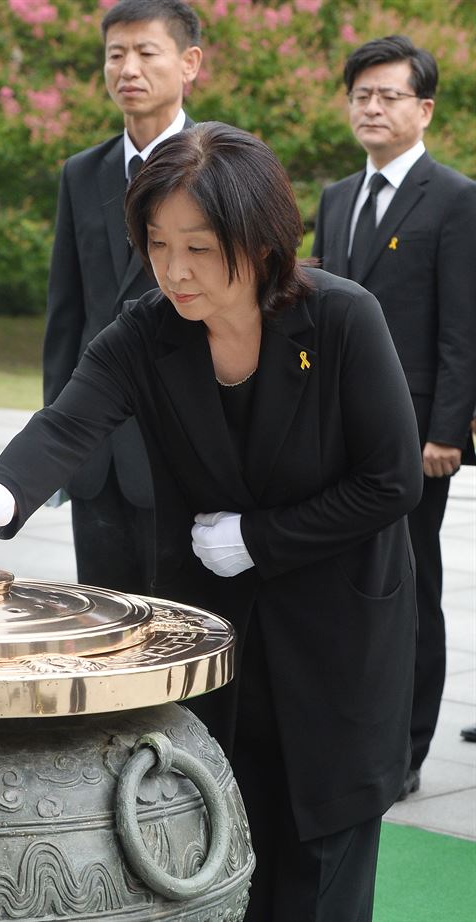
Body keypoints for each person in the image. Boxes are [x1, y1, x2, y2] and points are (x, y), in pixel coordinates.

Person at [0, 123, 422, 921]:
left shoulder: (341, 320)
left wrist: (257, 539)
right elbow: (68, 423)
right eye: (157, 244)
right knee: (222, 837)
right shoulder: (149, 329)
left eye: (199, 246)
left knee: (322, 863)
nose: (174, 269)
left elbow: (392, 481)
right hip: (223, 637)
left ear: (259, 240)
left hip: (339, 637)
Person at [312, 35, 476, 798]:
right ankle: (348, 730)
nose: (371, 108)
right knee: (346, 581)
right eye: (361, 96)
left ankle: (406, 750)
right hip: (333, 426)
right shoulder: (338, 197)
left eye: (388, 96)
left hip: (417, 437)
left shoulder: (455, 198)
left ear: (425, 109)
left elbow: (461, 328)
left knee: (410, 584)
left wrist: (447, 429)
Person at [42, 0, 202, 595]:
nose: (127, 68)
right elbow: (68, 316)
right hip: (97, 449)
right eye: (115, 54)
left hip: (186, 441)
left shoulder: (221, 164)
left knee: (183, 625)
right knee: (102, 617)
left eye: (145, 52)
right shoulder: (82, 172)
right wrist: (57, 441)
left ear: (189, 63)